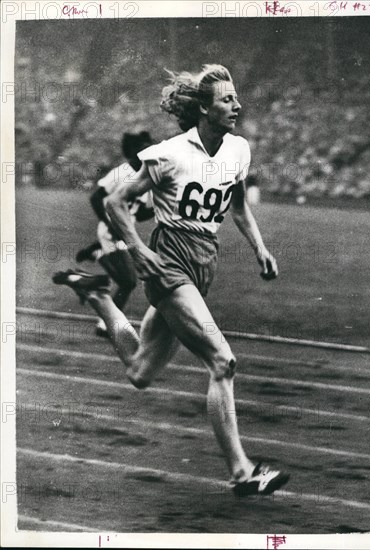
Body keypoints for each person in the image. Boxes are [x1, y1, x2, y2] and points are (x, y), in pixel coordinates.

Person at [53, 64, 289, 496]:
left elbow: (236, 207)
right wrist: (140, 251)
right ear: (203, 108)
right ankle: (242, 472)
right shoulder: (170, 153)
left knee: (141, 371)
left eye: (235, 96)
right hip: (170, 265)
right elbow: (116, 201)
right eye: (226, 99)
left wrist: (260, 248)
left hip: (203, 265)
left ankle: (99, 296)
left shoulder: (237, 150)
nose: (236, 104)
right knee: (222, 361)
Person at [75, 132, 154, 336]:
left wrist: (162, 207)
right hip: (112, 232)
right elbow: (96, 197)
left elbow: (141, 212)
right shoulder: (122, 172)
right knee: (128, 282)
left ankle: (97, 254)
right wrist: (108, 223)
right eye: (142, 148)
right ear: (132, 151)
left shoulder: (146, 176)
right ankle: (105, 325)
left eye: (149, 147)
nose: (146, 151)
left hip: (125, 233)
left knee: (126, 282)